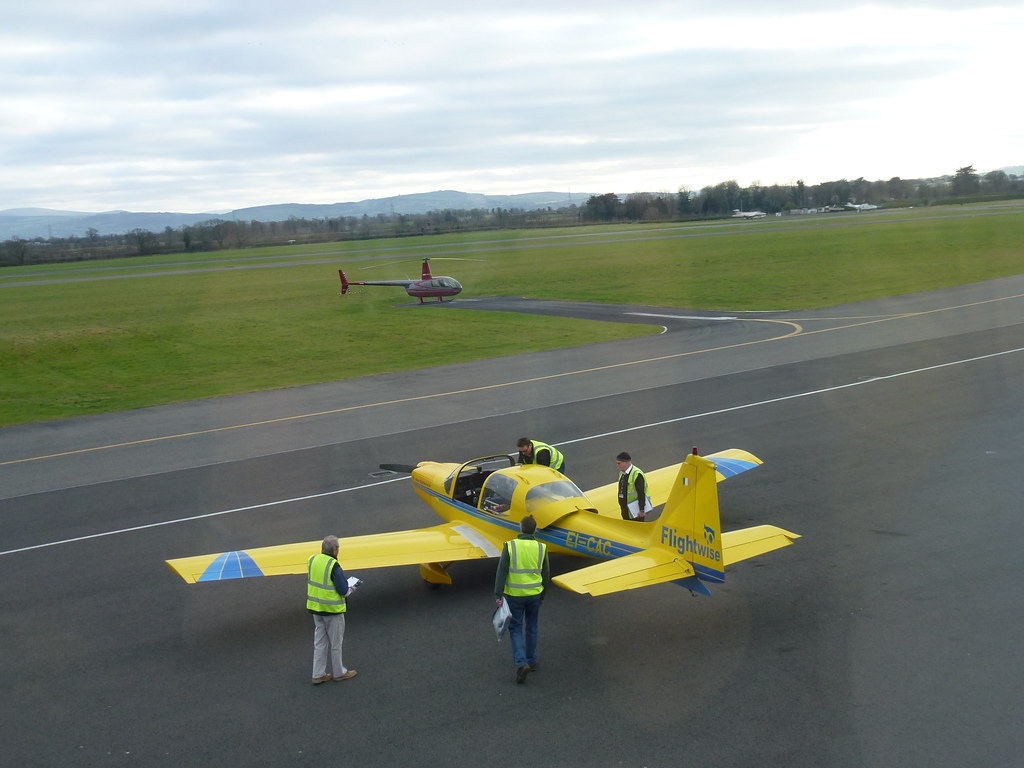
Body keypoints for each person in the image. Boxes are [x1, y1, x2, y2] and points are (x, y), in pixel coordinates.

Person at [494, 515, 550, 683]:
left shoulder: (510, 546)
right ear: (535, 529)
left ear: (520, 528)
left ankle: (521, 662)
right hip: (534, 595)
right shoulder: (542, 548)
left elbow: (502, 571)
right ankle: (531, 660)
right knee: (532, 626)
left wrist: (498, 594)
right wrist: (543, 595)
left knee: (516, 628)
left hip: (514, 595)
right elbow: (545, 574)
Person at [307, 535, 358, 684]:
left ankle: (318, 674)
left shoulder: (312, 560)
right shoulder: (333, 566)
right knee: (336, 643)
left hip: (316, 608)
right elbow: (342, 590)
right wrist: (352, 588)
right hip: (332, 610)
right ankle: (339, 672)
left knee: (320, 642)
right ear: (335, 551)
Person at [616, 451, 653, 521]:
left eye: (619, 463)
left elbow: (641, 493)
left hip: (636, 513)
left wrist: (642, 510)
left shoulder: (637, 474)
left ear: (626, 462)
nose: (617, 465)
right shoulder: (622, 473)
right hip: (625, 510)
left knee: (637, 530)